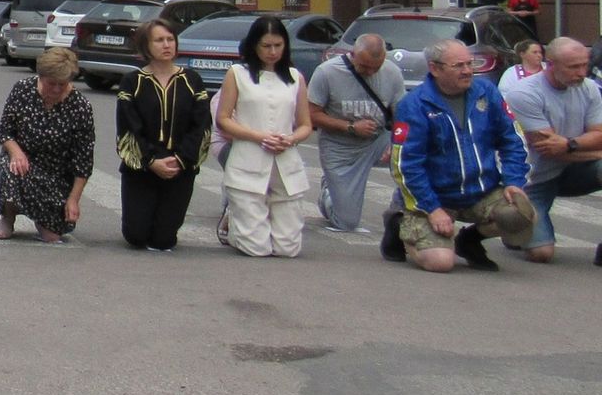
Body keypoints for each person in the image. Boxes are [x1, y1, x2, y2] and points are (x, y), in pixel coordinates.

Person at [385, 38, 533, 273]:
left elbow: (512, 139)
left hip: (479, 191)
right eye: (458, 66)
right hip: (435, 197)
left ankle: (469, 240)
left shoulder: (487, 92)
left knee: (520, 214)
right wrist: (432, 208)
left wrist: (514, 181)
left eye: (469, 63)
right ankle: (399, 225)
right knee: (441, 263)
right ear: (435, 68)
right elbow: (405, 165)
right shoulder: (414, 105)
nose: (467, 71)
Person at [217, 15, 313, 258]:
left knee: (287, 249)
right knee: (256, 248)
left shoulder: (294, 77)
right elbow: (224, 118)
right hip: (249, 156)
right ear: (254, 46)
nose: (272, 52)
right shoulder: (238, 74)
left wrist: (290, 139)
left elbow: (305, 125)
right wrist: (257, 135)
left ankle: (254, 218)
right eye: (266, 46)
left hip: (284, 159)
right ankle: (235, 221)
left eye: (278, 46)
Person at [501, 37, 602, 266]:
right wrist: (592, 148)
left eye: (584, 65)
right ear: (551, 63)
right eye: (573, 67)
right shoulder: (524, 94)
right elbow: (549, 151)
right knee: (541, 254)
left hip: (574, 170)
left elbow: (598, 135)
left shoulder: (589, 89)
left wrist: (569, 144)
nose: (582, 73)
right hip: (535, 179)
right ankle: (514, 227)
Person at [115, 17, 213, 252]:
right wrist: (151, 161)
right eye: (159, 40)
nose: (166, 45)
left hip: (180, 167)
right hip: (142, 168)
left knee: (163, 240)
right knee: (136, 236)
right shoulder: (133, 82)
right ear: (146, 46)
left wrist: (181, 160)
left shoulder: (191, 80)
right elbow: (128, 127)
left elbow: (201, 125)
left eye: (170, 39)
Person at [305, 33, 405, 234]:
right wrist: (350, 126)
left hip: (377, 140)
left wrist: (398, 143)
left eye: (375, 68)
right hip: (339, 147)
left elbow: (401, 117)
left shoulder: (392, 73)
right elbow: (311, 115)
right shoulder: (327, 72)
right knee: (346, 223)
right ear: (352, 55)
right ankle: (328, 193)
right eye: (364, 67)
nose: (369, 72)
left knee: (414, 155)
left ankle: (409, 209)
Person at [0, 47, 93, 244]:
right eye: (51, 84)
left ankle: (43, 220)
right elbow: (4, 131)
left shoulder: (81, 107)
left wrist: (73, 199)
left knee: (53, 236)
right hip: (24, 162)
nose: (56, 89)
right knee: (12, 166)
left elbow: (83, 160)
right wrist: (16, 152)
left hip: (55, 175)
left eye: (62, 84)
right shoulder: (22, 90)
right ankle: (8, 215)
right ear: (41, 77)